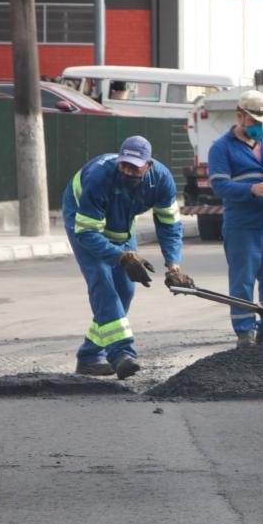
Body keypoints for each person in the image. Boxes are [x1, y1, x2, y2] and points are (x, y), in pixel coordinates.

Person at [62, 135, 191, 378]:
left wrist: (173, 265)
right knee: (101, 280)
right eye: (124, 164)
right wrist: (121, 257)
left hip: (121, 223)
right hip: (84, 222)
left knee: (125, 290)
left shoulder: (162, 181)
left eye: (135, 167)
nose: (128, 171)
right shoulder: (99, 178)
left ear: (149, 166)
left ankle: (89, 356)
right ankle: (121, 354)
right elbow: (87, 233)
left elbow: (169, 226)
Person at [207, 90, 263, 345]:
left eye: (261, 122)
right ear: (240, 117)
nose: (258, 127)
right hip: (243, 226)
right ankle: (245, 331)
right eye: (254, 122)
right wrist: (251, 189)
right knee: (242, 280)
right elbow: (219, 186)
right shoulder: (222, 148)